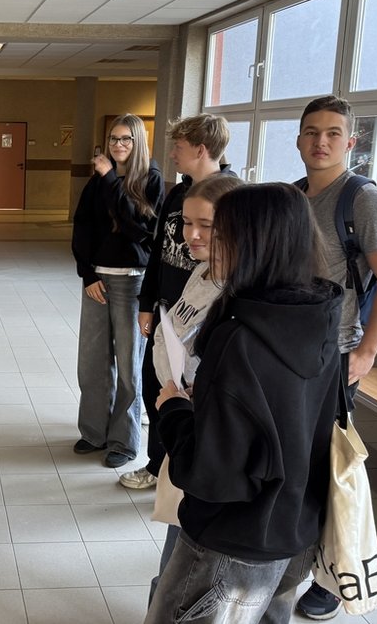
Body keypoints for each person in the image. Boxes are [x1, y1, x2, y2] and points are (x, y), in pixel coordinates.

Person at [145, 183, 343, 624]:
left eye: (221, 232)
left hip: (231, 536)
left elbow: (211, 473)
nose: (206, 242)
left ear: (252, 242)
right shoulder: (320, 315)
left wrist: (174, 410)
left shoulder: (239, 336)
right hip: (295, 524)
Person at [293, 95, 377, 619]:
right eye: (312, 132)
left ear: (350, 142)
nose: (321, 141)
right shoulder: (293, 196)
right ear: (298, 139)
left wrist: (367, 352)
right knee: (299, 462)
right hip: (292, 352)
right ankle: (300, 555)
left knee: (331, 467)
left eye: (333, 133)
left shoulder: (362, 200)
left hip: (337, 355)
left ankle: (334, 580)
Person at [138, 174, 241, 603]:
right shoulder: (203, 271)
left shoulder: (237, 291)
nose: (191, 235)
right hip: (181, 422)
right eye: (186, 223)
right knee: (176, 537)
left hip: (205, 436)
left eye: (206, 225)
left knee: (186, 558)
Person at [121, 113, 232, 490]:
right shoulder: (178, 193)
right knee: (156, 385)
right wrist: (147, 303)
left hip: (203, 319)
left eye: (179, 148)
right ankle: (157, 466)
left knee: (186, 392)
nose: (171, 154)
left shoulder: (232, 196)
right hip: (170, 310)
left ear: (201, 149)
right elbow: (157, 254)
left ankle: (181, 470)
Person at [70, 114, 163, 468]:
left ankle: (124, 440)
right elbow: (83, 228)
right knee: (92, 361)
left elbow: (138, 228)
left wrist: (111, 179)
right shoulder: (97, 183)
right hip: (97, 280)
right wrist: (87, 274)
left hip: (132, 281)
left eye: (126, 139)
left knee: (128, 365)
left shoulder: (149, 180)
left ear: (138, 142)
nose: (118, 145)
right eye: (113, 139)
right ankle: (94, 431)